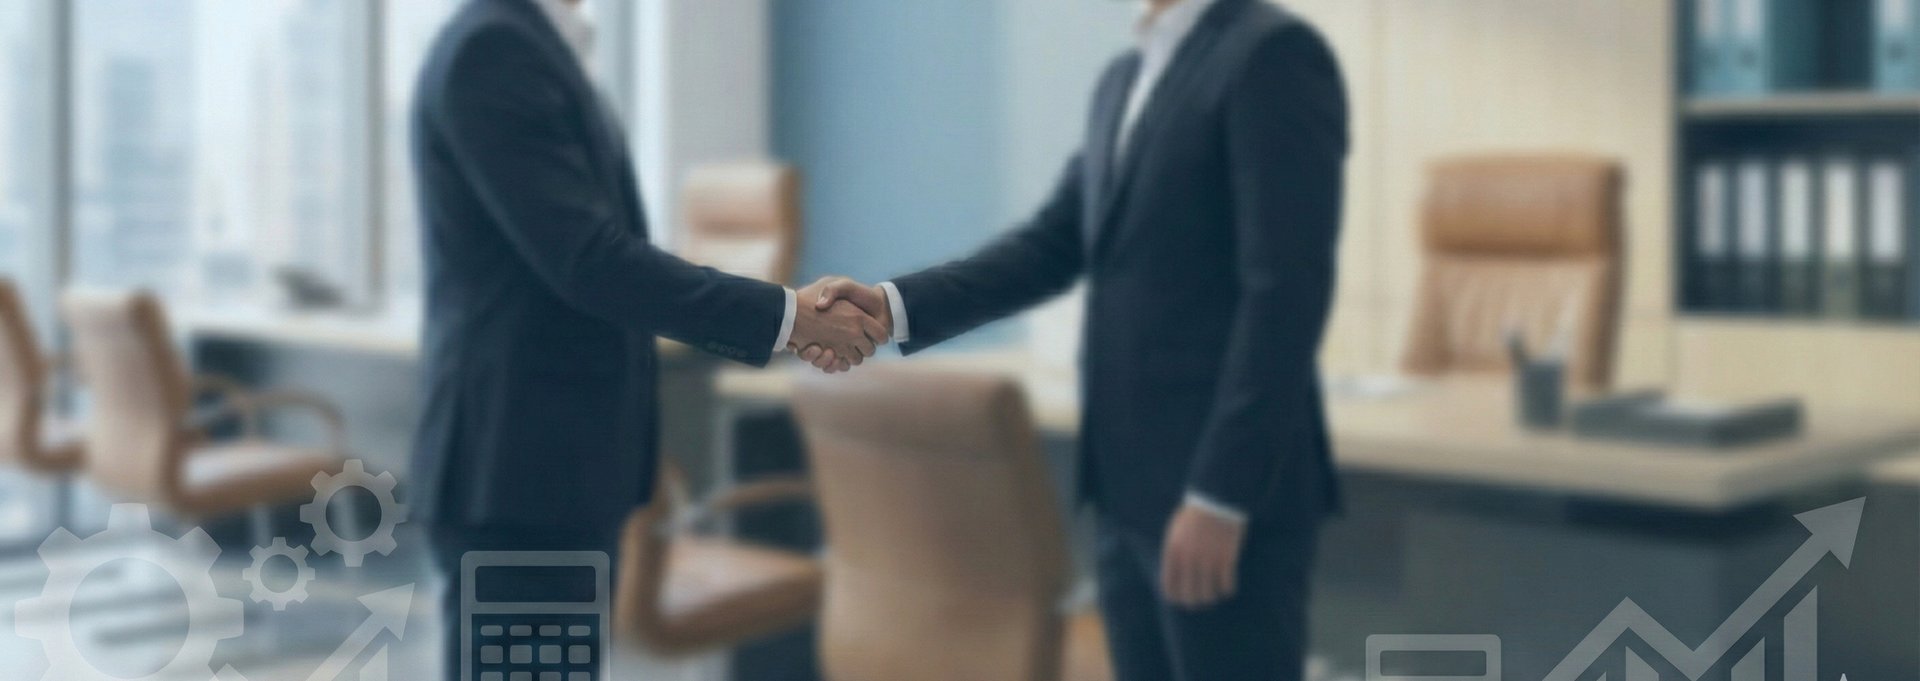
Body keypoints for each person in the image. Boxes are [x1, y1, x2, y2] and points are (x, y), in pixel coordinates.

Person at [805, 0, 1348, 677]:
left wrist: (1221, 494)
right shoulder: (1124, 77)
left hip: (1218, 498)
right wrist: (889, 308)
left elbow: (1283, 295)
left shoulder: (1272, 56)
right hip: (1125, 492)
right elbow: (1048, 246)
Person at [406, 0, 883, 677]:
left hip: (551, 467)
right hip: (520, 469)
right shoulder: (494, 50)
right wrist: (789, 317)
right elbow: (588, 260)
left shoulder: (531, 44)